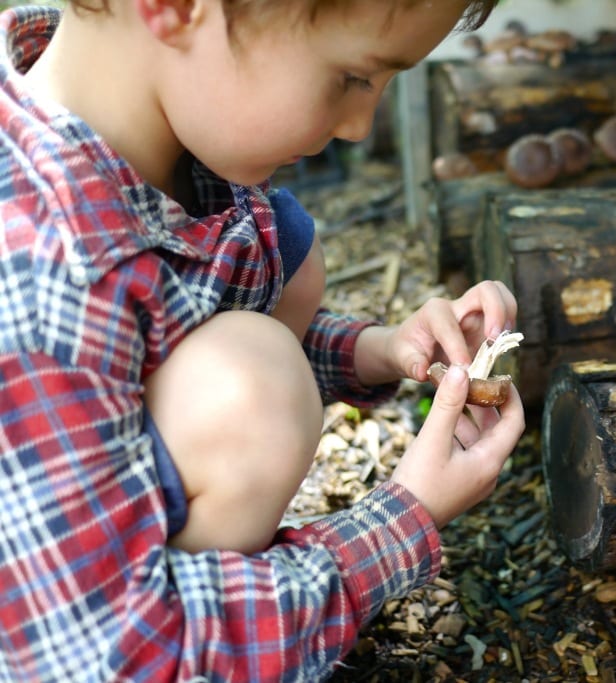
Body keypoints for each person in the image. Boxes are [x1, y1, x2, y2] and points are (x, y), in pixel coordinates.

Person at [0, 0, 526, 680]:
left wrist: (384, 348)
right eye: (353, 77)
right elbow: (112, 654)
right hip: (87, 643)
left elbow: (170, 337)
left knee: (290, 267)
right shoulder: (45, 274)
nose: (361, 127)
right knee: (254, 391)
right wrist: (403, 518)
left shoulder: (153, 119)